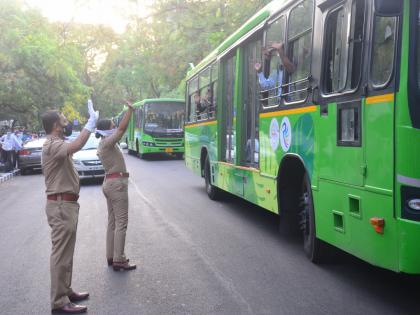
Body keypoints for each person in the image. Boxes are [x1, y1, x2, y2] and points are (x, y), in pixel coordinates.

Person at [41, 99, 98, 314]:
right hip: (61, 205)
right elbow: (76, 145)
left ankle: (66, 291)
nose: (67, 121)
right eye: (63, 119)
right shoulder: (52, 144)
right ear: (56, 125)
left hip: (66, 205)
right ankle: (59, 301)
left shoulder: (57, 142)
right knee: (61, 254)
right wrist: (90, 124)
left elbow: (72, 144)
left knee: (67, 253)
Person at [96, 101, 136, 272]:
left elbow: (118, 130)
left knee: (113, 222)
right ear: (106, 129)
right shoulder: (107, 142)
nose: (114, 127)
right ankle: (119, 259)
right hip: (116, 185)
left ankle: (111, 256)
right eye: (112, 125)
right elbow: (121, 130)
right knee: (121, 222)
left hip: (109, 184)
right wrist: (130, 110)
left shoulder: (104, 143)